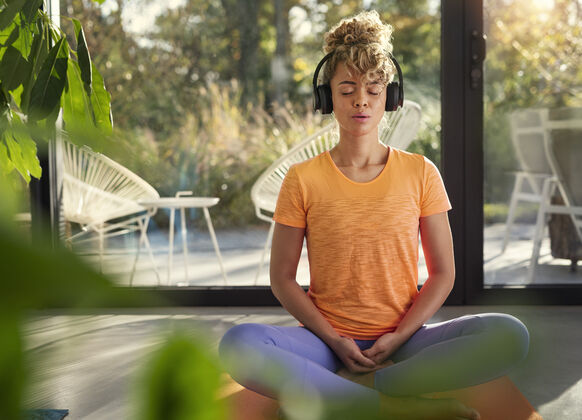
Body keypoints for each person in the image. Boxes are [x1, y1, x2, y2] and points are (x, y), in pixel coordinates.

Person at [219, 10, 529, 420]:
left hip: (406, 340)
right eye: (346, 89)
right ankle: (392, 408)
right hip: (324, 342)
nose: (361, 100)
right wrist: (334, 339)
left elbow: (443, 275)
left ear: (390, 97)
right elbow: (282, 279)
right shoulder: (302, 179)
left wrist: (399, 337)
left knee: (509, 334)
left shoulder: (421, 171)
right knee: (239, 344)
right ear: (327, 98)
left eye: (373, 89)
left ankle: (360, 391)